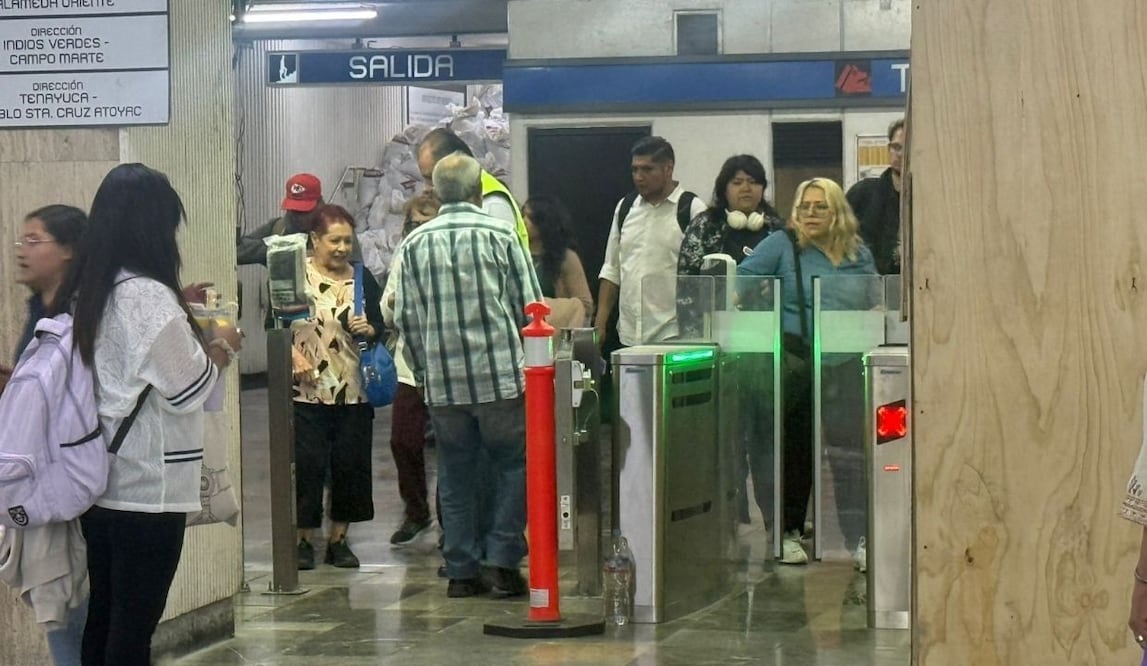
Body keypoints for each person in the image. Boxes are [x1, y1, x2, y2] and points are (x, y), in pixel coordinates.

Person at [53, 163, 242, 665]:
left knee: (106, 616)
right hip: (149, 489)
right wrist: (221, 346)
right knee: (134, 628)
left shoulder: (93, 287)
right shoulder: (146, 296)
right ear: (152, 227)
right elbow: (188, 389)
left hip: (103, 482)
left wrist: (178, 309)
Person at [394, 152, 542, 598]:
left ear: (436, 193)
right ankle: (501, 559)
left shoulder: (416, 243)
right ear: (480, 190)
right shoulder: (500, 233)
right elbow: (530, 306)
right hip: (498, 377)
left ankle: (461, 569)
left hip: (443, 384)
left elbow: (407, 318)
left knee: (455, 473)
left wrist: (423, 373)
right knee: (513, 466)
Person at [737, 177, 876, 565]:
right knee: (795, 453)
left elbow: (871, 295)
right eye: (804, 207)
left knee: (850, 456)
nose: (810, 214)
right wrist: (767, 310)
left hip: (846, 362)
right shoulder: (782, 245)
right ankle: (789, 531)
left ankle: (859, 538)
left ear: (837, 212)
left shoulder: (858, 252)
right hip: (797, 363)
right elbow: (744, 280)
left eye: (820, 206)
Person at [0, 205, 88, 665]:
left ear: (70, 250)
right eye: (21, 241)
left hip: (72, 495)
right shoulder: (43, 312)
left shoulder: (81, 318)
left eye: (34, 241)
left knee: (74, 624)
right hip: (44, 491)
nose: (21, 252)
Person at [290, 204, 385, 570]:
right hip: (307, 392)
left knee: (349, 466)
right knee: (309, 466)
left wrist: (371, 330)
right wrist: (292, 357)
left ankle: (339, 540)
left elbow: (380, 326)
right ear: (316, 239)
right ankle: (302, 540)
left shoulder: (363, 280)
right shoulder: (297, 277)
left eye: (347, 240)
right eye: (335, 240)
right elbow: (275, 323)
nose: (342, 247)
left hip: (353, 390)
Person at [594, 136, 707, 349]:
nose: (639, 177)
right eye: (635, 170)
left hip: (674, 333)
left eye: (647, 169)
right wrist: (600, 323)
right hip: (628, 333)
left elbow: (705, 277)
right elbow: (611, 269)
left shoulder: (691, 209)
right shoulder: (625, 207)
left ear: (668, 169)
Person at [381, 192, 440, 547]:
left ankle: (451, 521)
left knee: (451, 447)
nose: (416, 231)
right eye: (411, 225)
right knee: (403, 441)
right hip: (408, 366)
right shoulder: (403, 254)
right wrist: (392, 304)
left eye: (424, 223)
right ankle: (416, 511)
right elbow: (387, 307)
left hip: (447, 365)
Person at [416, 128, 530, 251]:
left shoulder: (492, 203)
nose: (426, 188)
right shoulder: (455, 198)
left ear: (455, 165)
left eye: (431, 178)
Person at [523, 195, 593, 329]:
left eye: (530, 218)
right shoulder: (518, 254)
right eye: (522, 216)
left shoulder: (566, 258)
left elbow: (585, 304)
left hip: (554, 336)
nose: (523, 221)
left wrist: (546, 307)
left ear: (544, 221)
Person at [847, 118, 905, 275]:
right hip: (869, 284)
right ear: (889, 149)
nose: (900, 154)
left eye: (907, 148)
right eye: (896, 147)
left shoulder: (932, 202)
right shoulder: (863, 194)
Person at [236, 173, 326, 266]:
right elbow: (238, 251)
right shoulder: (279, 228)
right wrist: (276, 251)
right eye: (294, 210)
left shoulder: (334, 232)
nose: (298, 217)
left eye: (304, 211)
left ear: (320, 205)